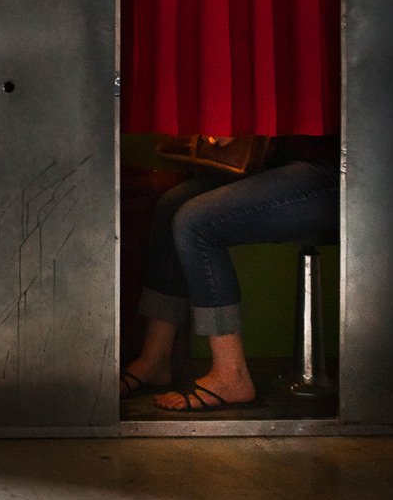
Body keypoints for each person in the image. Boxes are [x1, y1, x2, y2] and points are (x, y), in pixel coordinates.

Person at [120, 136, 339, 412]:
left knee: (195, 222)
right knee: (171, 205)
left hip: (337, 169)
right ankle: (156, 359)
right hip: (281, 160)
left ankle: (231, 375)